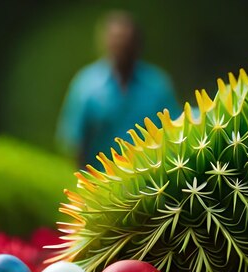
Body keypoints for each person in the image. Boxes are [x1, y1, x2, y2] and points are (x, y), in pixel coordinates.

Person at [57, 11, 180, 169]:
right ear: (104, 43)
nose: (122, 47)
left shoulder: (157, 84)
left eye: (126, 42)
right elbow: (73, 141)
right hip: (100, 182)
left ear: (137, 44)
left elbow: (175, 131)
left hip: (150, 181)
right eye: (117, 41)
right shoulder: (86, 85)